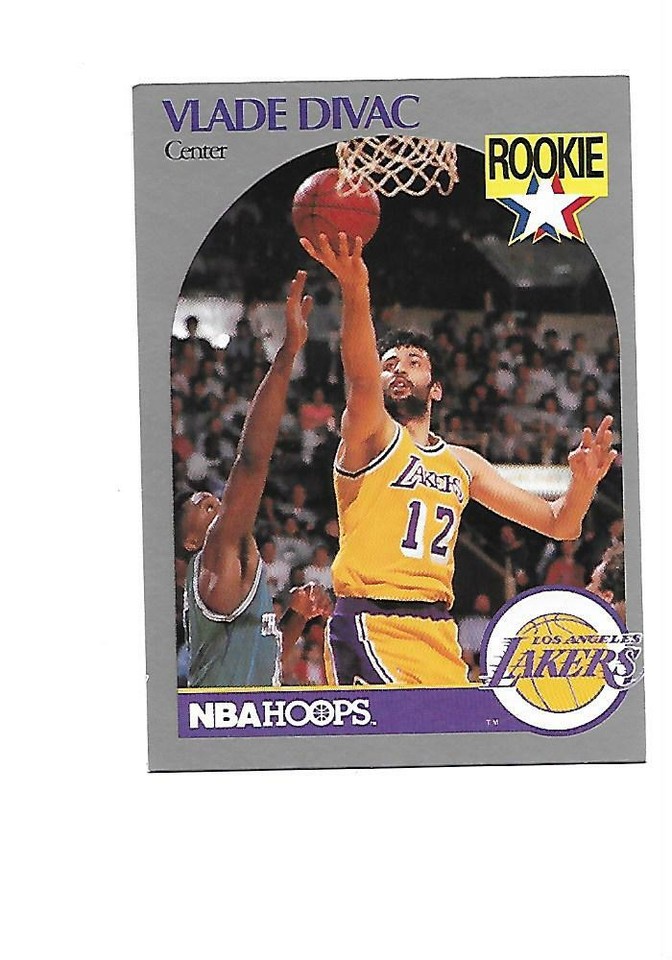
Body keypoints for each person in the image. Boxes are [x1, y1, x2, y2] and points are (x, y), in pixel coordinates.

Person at [301, 233, 617, 686]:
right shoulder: (369, 437)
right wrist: (356, 288)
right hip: (372, 623)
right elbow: (361, 379)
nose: (397, 368)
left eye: (413, 361)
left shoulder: (463, 464)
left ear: (436, 389)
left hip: (437, 632)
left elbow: (559, 524)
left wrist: (584, 483)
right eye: (389, 363)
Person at [178, 271, 329, 687]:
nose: (211, 499)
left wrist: (296, 617)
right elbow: (250, 462)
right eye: (200, 507)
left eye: (209, 498)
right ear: (191, 542)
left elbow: (267, 660)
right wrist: (287, 355)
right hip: (219, 721)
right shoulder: (215, 555)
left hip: (248, 714)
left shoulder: (237, 569)